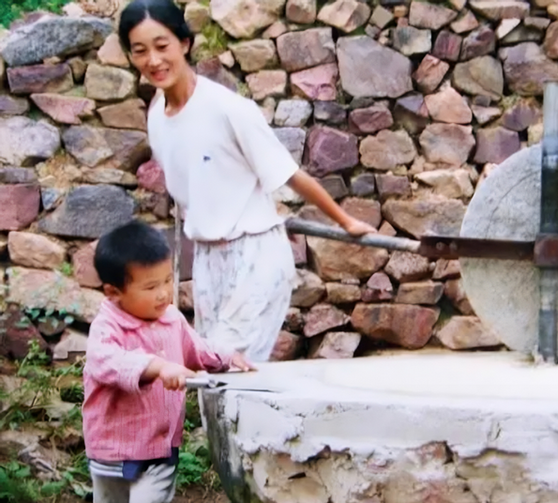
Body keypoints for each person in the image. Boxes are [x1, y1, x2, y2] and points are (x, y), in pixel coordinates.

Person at [118, 0, 376, 364]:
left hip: (255, 255)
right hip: (208, 258)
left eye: (162, 46)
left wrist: (345, 221)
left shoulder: (228, 109)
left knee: (229, 372)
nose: (154, 60)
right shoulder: (157, 115)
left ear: (184, 43)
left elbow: (288, 173)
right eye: (140, 51)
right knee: (211, 371)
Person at [82, 219, 254, 503]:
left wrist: (227, 356)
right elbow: (108, 362)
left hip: (159, 447)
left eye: (166, 281)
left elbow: (197, 349)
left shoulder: (171, 319)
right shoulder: (107, 327)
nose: (163, 292)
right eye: (150, 287)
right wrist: (159, 367)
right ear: (114, 292)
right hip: (111, 448)